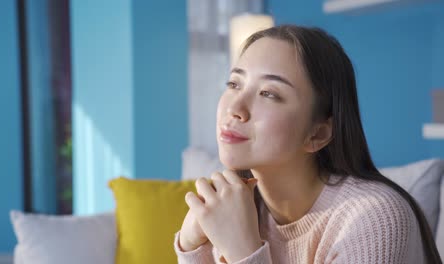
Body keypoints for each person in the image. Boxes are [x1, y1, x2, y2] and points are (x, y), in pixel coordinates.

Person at [173, 25, 442, 264]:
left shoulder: (375, 218)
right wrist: (191, 247)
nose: (235, 107)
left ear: (318, 134)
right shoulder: (238, 208)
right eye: (234, 83)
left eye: (268, 93)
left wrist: (244, 252)